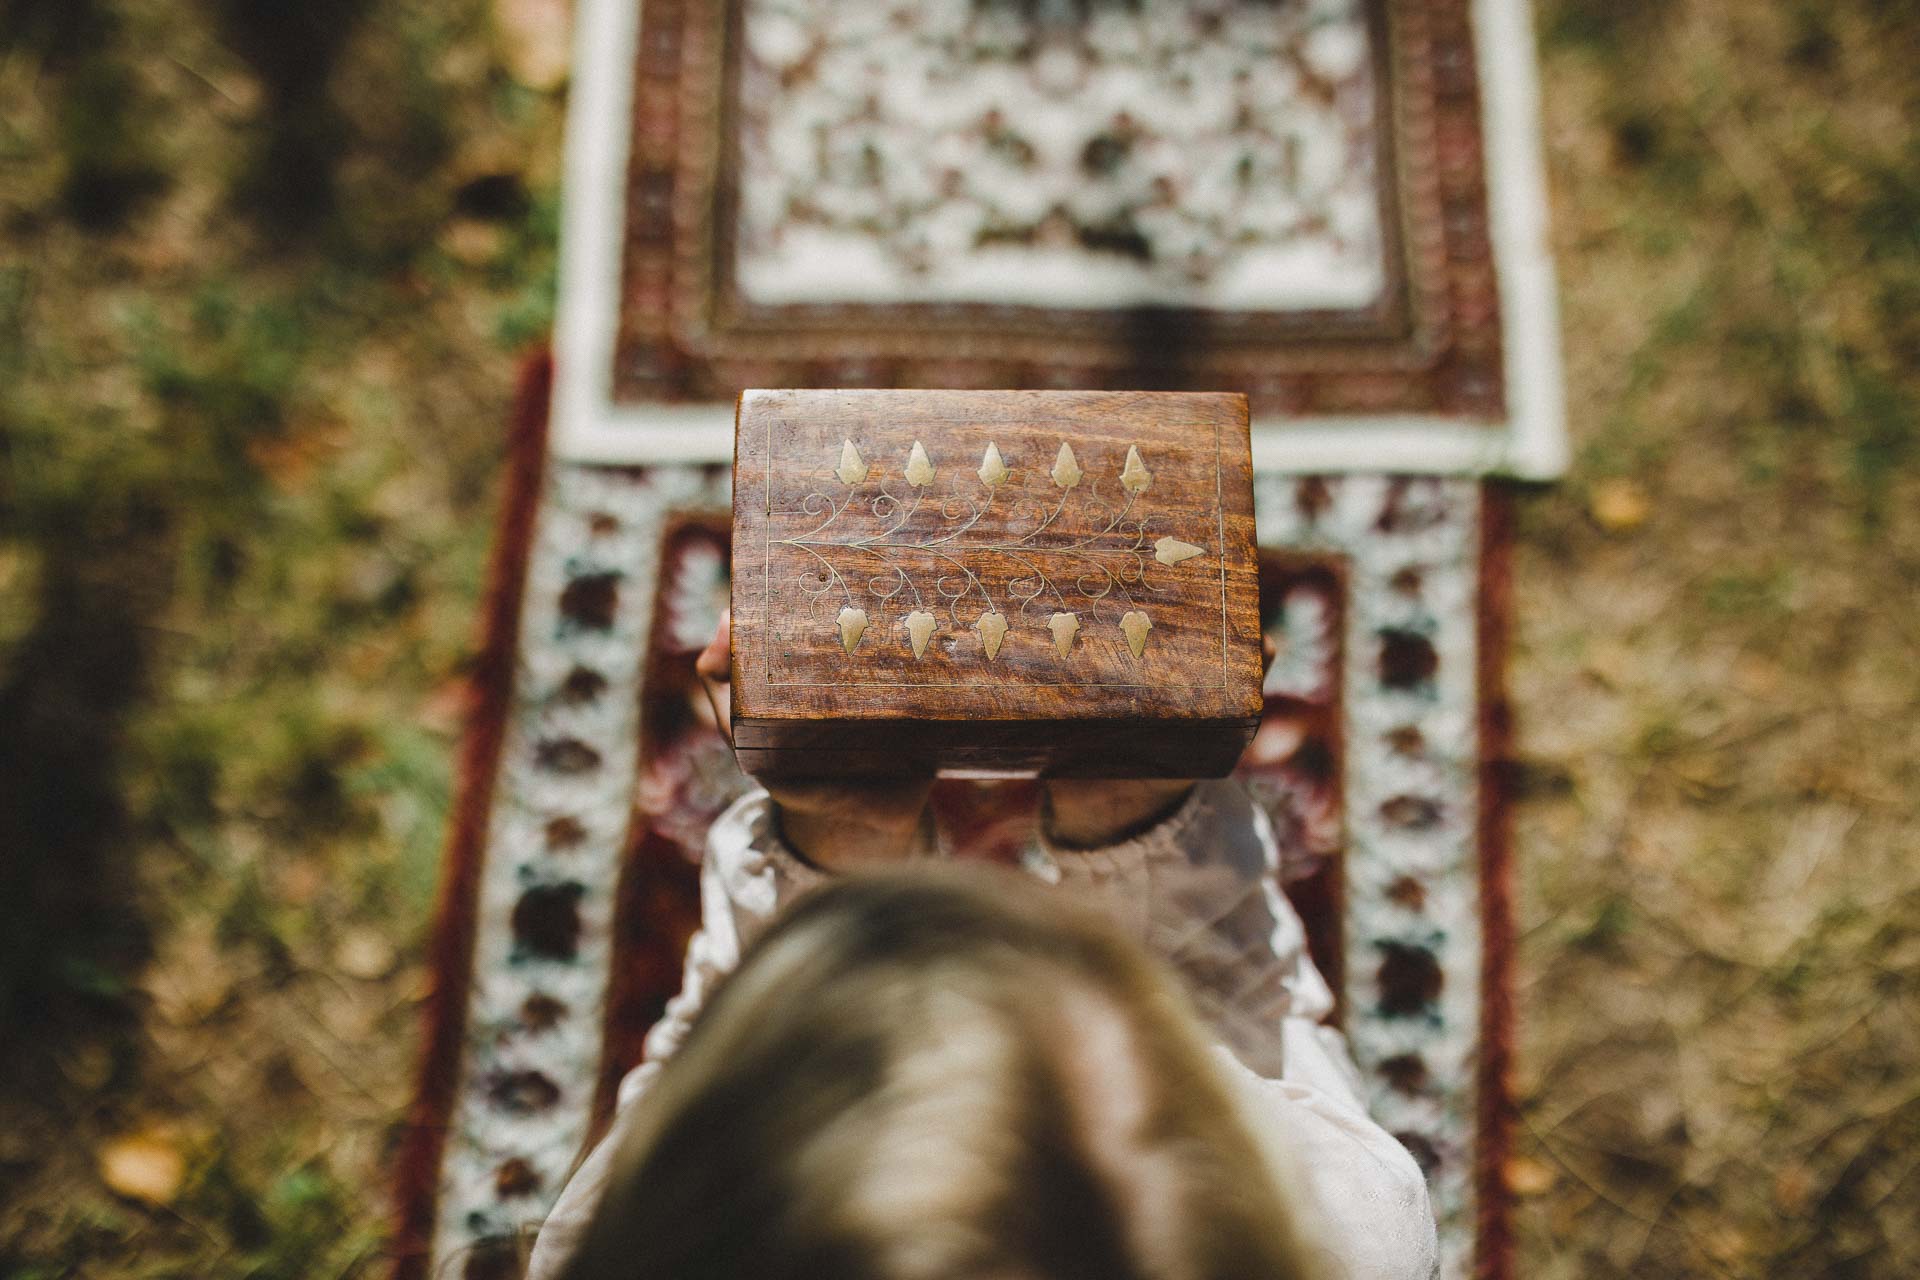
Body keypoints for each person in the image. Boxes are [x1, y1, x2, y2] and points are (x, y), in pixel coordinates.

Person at [526, 614, 1437, 1279]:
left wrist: (835, 846)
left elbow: (711, 1076)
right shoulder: (1345, 1231)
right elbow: (1269, 1047)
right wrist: (1143, 814)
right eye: (1160, 1078)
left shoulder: (601, 1250)